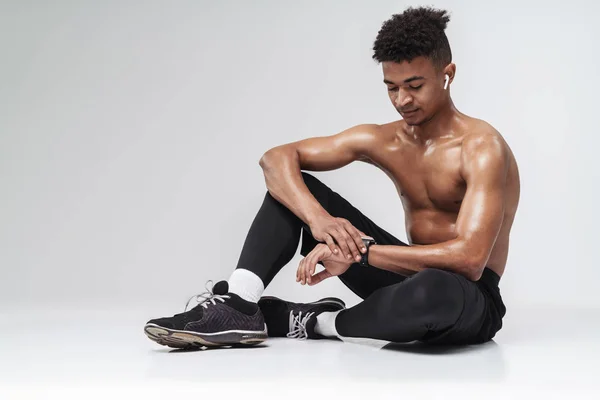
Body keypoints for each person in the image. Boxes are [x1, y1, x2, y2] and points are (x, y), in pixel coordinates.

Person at [143, 6, 519, 349]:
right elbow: (276, 159)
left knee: (432, 289)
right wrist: (319, 220)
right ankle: (239, 304)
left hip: (468, 297)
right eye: (392, 87)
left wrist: (361, 253)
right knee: (291, 187)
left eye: (415, 85)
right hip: (401, 275)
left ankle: (315, 322)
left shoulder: (481, 148)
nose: (402, 100)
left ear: (447, 75)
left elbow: (470, 259)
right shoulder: (384, 139)